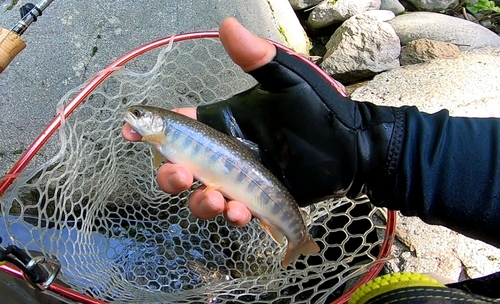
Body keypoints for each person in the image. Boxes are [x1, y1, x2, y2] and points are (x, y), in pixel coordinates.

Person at [123, 18, 500, 302]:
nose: (134, 116)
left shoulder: (168, 134)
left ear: (156, 122)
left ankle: (297, 239)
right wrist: (378, 149)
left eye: (140, 114)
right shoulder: (162, 137)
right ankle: (297, 238)